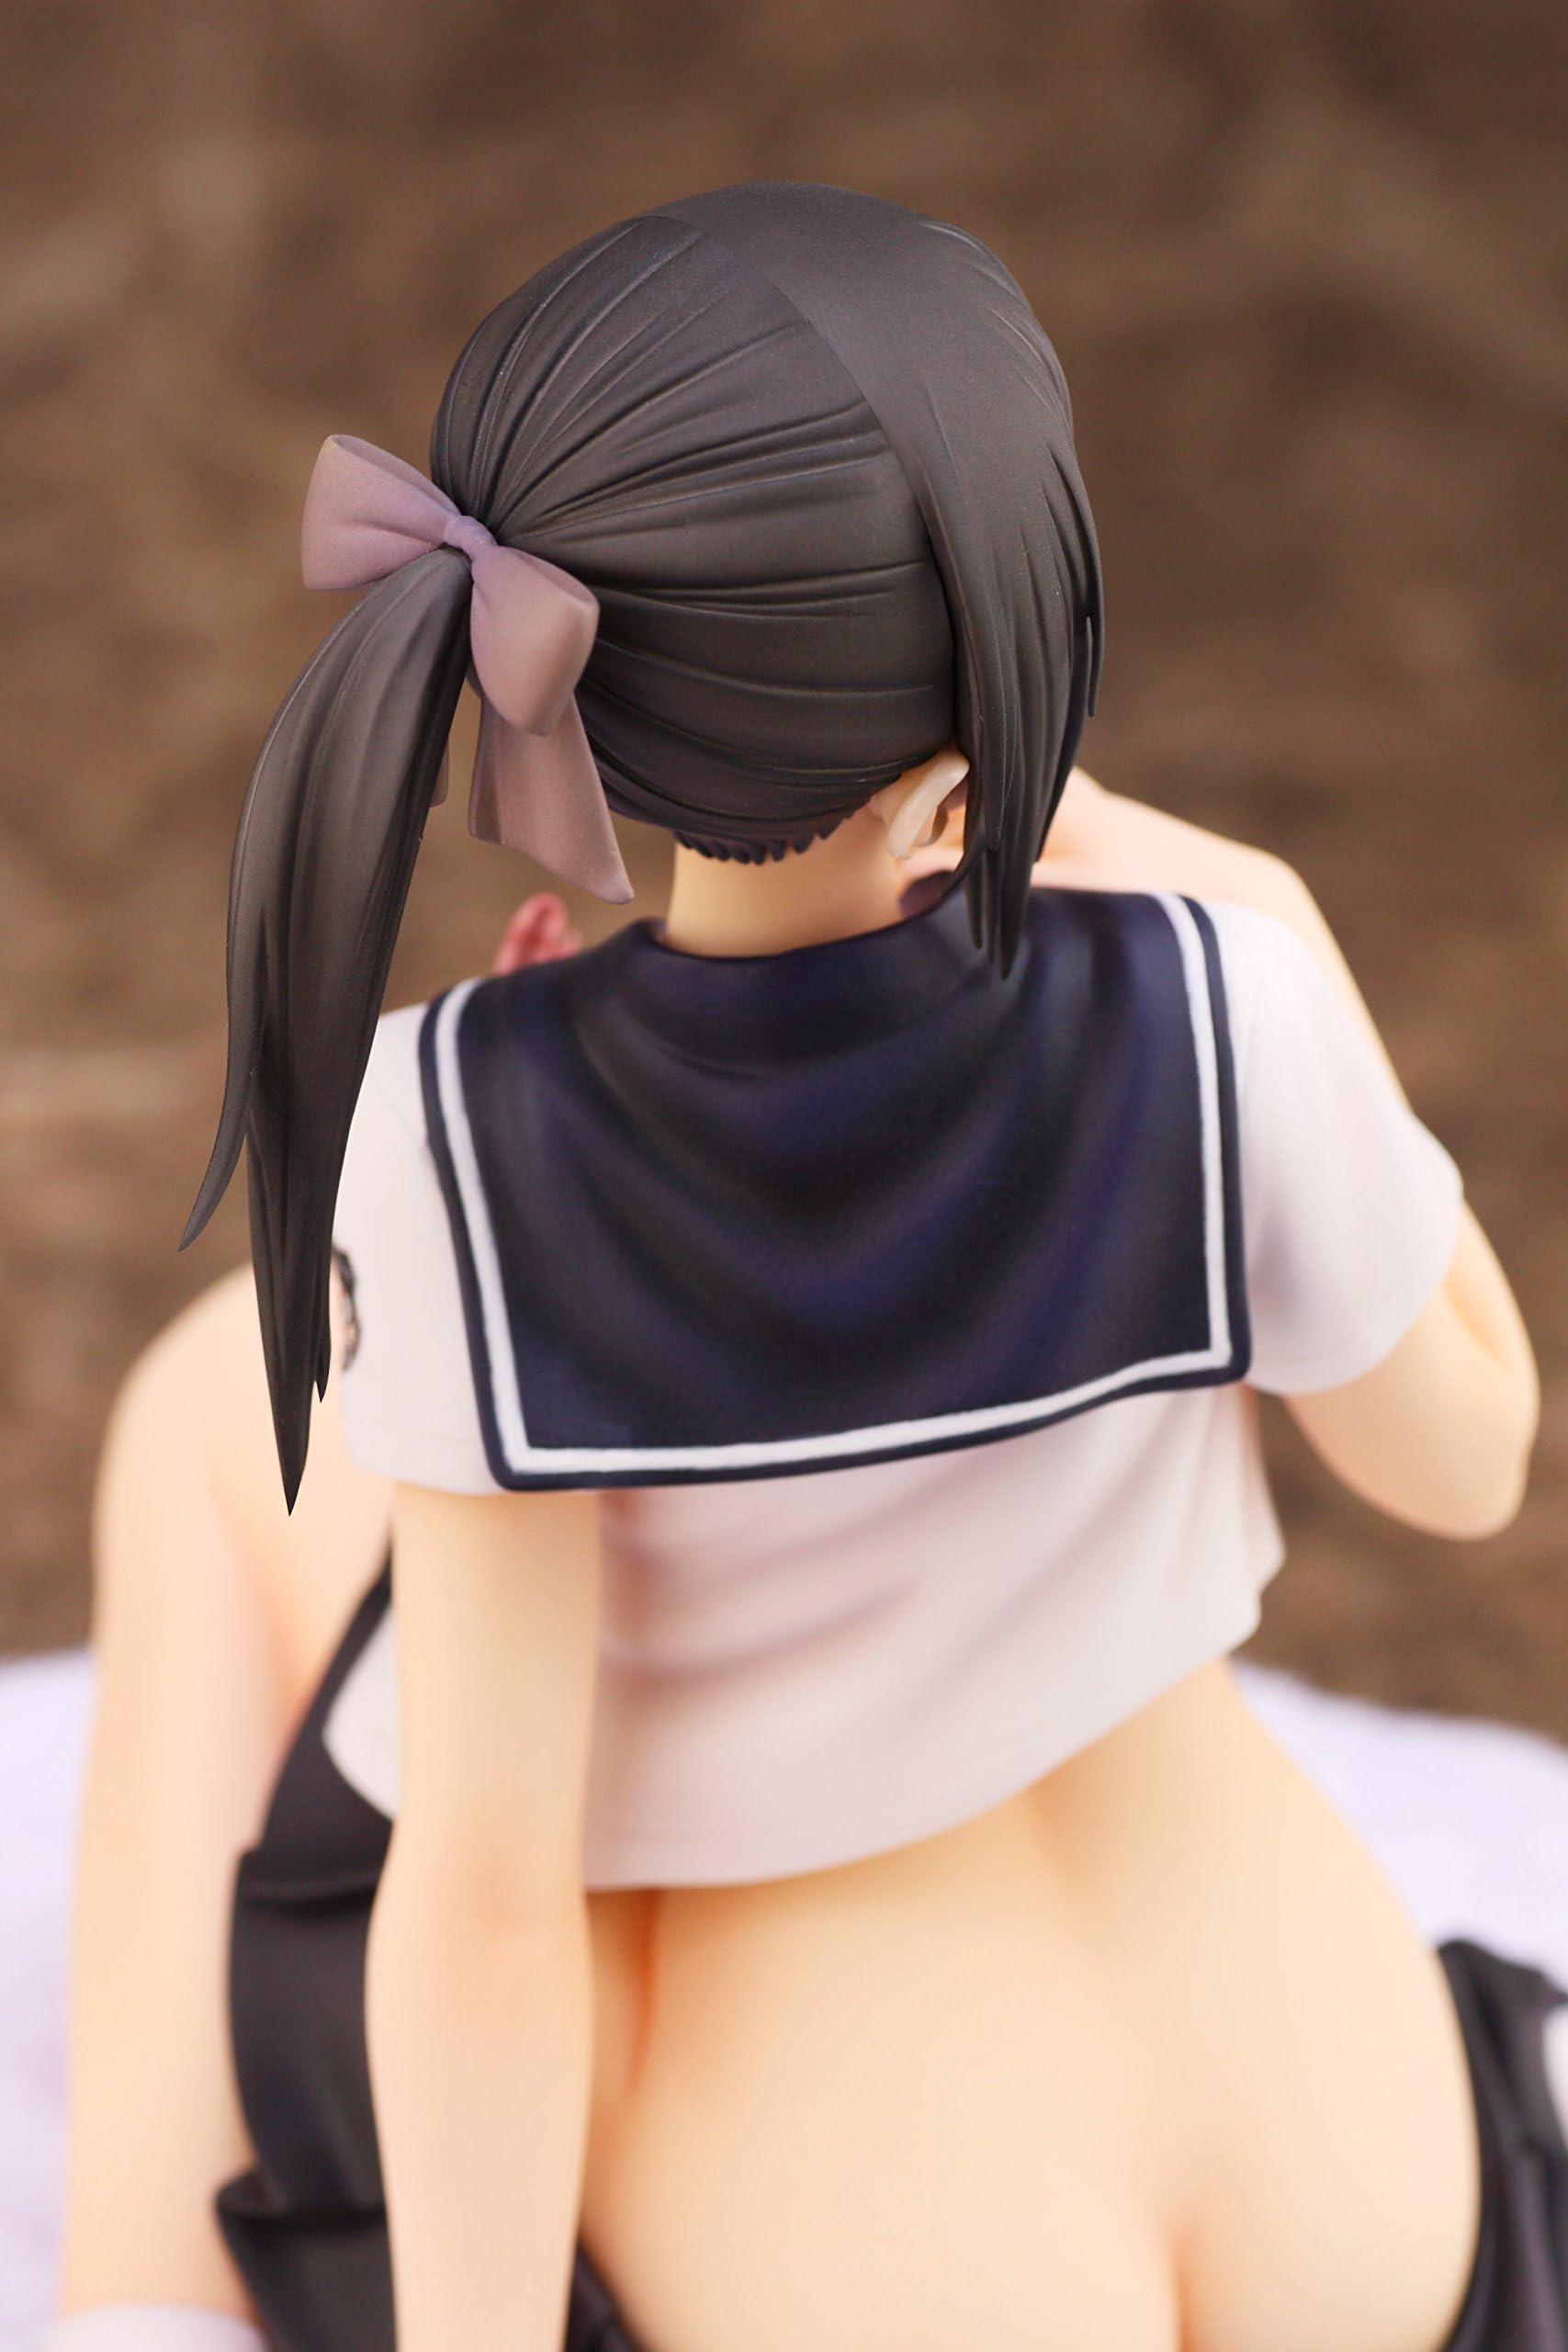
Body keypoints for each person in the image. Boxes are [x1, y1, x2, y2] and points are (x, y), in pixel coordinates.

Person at [52, 183, 1559, 2352]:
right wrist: (1270, 921)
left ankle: (141, 2295)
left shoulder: (459, 1132)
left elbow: (484, 1905)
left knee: (217, 1403)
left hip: (886, 2244)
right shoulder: (1223, 987)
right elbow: (1463, 1462)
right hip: (1355, 2171)